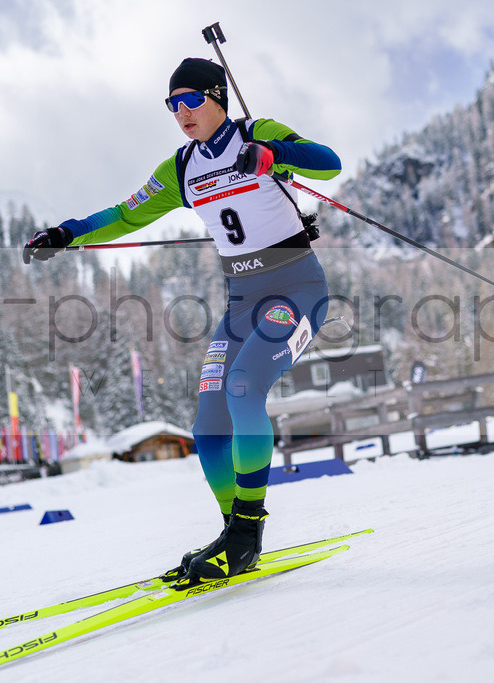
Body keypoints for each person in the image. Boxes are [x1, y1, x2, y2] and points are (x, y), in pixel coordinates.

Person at [24, 57, 341, 583]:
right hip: (242, 302)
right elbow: (127, 213)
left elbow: (326, 163)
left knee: (243, 389)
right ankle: (232, 532)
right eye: (173, 104)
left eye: (192, 100)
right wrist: (66, 233)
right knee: (209, 426)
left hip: (297, 290)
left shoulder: (256, 133)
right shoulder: (180, 169)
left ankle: (246, 534)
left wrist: (272, 156)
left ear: (218, 97)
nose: (182, 112)